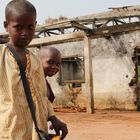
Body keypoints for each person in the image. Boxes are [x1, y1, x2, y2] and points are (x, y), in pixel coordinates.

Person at [0, 0, 68, 140]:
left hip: (36, 131)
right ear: (6, 26)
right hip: (9, 132)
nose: (25, 33)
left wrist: (53, 117)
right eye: (18, 27)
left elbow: (42, 96)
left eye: (30, 27)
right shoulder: (1, 55)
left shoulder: (36, 60)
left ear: (35, 25)